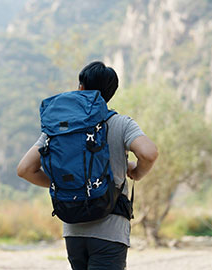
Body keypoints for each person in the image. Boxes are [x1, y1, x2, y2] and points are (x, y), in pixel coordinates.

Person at [17, 61, 158, 270]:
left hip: (73, 229)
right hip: (110, 230)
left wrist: (68, 184)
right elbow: (149, 153)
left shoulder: (60, 128)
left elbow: (25, 170)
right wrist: (137, 171)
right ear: (110, 94)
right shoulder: (121, 123)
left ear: (81, 87)